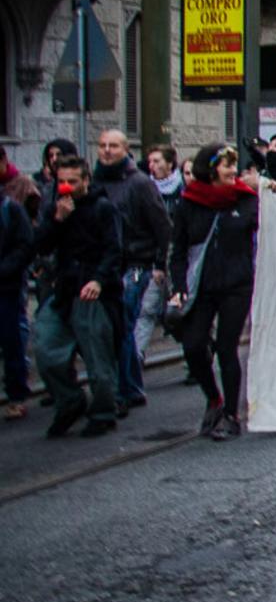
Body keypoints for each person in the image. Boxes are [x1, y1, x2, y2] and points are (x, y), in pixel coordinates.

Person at [169, 143, 259, 440]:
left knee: (226, 347)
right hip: (204, 286)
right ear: (209, 169)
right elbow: (178, 249)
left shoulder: (247, 201)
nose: (233, 170)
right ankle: (214, 398)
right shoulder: (189, 203)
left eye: (234, 165)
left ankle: (231, 415)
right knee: (194, 345)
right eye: (226, 165)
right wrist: (179, 286)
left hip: (237, 285)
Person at [34, 153, 123, 437]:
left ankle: (103, 411)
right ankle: (70, 400)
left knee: (98, 359)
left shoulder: (103, 208)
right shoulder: (57, 207)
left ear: (86, 180)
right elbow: (42, 245)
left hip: (93, 293)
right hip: (63, 290)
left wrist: (99, 280)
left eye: (73, 181)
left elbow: (114, 250)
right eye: (62, 181)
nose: (67, 187)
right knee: (46, 349)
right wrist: (58, 220)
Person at [93, 128, 172, 417]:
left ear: (126, 150)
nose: (107, 151)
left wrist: (161, 265)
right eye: (102, 145)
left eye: (113, 145)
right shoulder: (94, 181)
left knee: (122, 324)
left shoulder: (139, 183)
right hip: (107, 264)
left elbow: (162, 226)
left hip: (135, 263)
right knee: (114, 328)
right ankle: (132, 387)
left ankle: (122, 390)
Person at [0, 185, 31, 421]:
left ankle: (16, 395)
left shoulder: (11, 209)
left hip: (6, 288)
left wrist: (5, 271)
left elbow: (24, 247)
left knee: (11, 342)